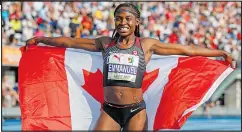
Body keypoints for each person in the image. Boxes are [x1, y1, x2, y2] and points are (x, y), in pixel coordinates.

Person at [26, 3, 233, 131]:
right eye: (118, 18)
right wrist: (42, 39)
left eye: (127, 19)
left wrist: (220, 53)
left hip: (135, 111)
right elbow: (68, 42)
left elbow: (187, 50)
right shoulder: (105, 43)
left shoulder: (146, 45)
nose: (122, 22)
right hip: (110, 110)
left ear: (136, 22)